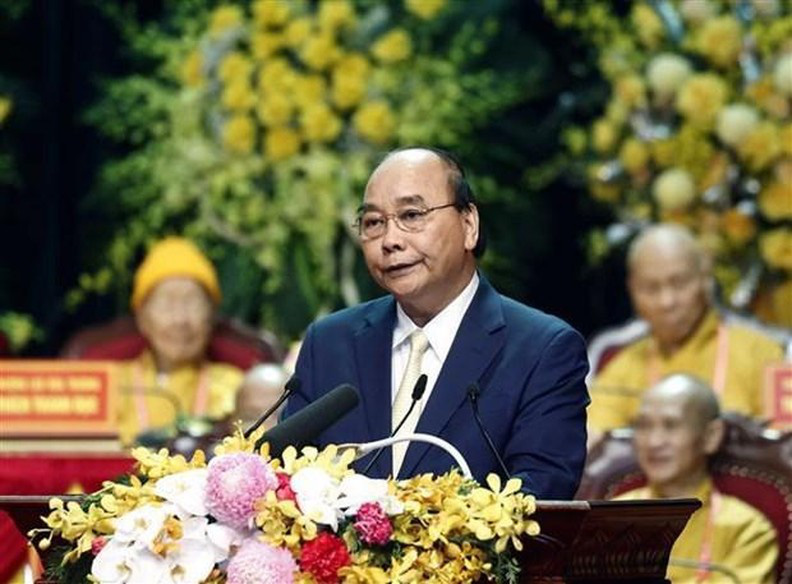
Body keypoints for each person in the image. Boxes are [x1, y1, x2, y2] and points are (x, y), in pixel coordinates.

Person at [282, 147, 589, 499]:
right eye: (373, 223)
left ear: (469, 225)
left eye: (412, 215)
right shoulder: (330, 342)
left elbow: (539, 504)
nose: (390, 241)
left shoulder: (542, 350)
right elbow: (289, 480)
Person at [588, 224, 784, 444]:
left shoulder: (762, 352)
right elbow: (590, 442)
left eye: (679, 283)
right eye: (651, 288)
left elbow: (786, 450)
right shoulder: (622, 366)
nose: (667, 302)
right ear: (632, 289)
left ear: (704, 277)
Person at [616, 374, 778, 583]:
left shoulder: (746, 529)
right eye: (644, 425)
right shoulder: (611, 519)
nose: (654, 442)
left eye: (671, 425)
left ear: (711, 435)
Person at [117, 237, 244, 445]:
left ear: (211, 315)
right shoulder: (114, 385)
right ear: (142, 318)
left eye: (192, 303)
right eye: (167, 304)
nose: (180, 320)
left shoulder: (234, 387)